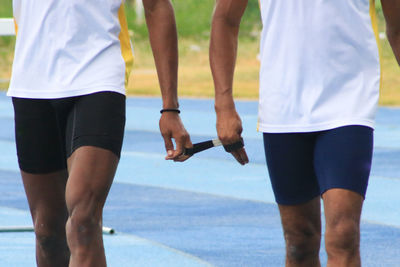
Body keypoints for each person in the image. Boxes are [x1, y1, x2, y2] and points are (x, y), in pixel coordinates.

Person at [209, 0, 400, 266]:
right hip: (283, 107)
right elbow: (224, 20)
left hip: (349, 101)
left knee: (344, 235)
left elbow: (398, 26)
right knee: (300, 240)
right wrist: (224, 105)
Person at [8, 0, 192, 266]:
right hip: (32, 83)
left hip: (98, 77)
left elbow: (157, 6)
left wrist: (170, 107)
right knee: (48, 233)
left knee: (84, 220)